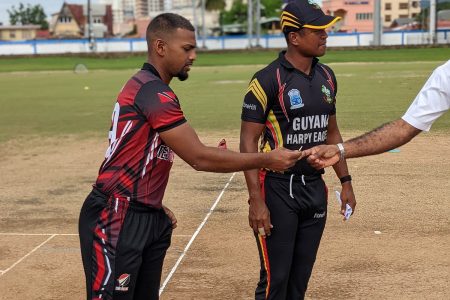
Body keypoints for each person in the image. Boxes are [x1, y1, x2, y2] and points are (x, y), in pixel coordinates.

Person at [78, 13, 304, 300]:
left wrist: (149, 205)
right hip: (116, 215)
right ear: (161, 47)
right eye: (187, 49)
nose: (194, 56)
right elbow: (198, 158)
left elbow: (156, 151)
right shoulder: (152, 92)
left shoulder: (156, 90)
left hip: (141, 213)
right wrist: (267, 159)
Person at [239, 1, 356, 299]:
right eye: (317, 30)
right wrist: (256, 200)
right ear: (294, 37)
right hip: (277, 190)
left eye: (325, 29)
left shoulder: (327, 76)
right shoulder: (267, 80)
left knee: (299, 280)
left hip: (315, 189)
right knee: (276, 280)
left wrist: (345, 181)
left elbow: (332, 132)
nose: (325, 35)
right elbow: (248, 143)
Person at [306, 59, 450, 169]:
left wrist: (340, 149)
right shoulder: (445, 74)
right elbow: (404, 128)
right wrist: (339, 149)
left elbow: (404, 129)